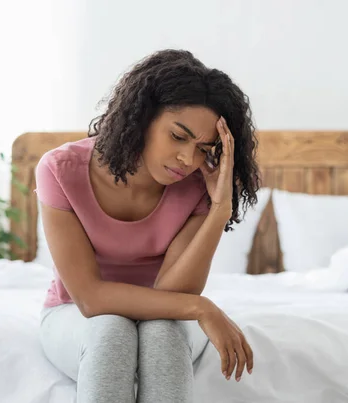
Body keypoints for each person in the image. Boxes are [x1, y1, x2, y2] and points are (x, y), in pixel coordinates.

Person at [35, 49, 260, 403]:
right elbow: (91, 299)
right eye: (178, 136)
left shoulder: (200, 184)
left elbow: (174, 291)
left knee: (162, 333)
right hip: (73, 316)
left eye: (205, 148)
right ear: (142, 118)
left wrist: (219, 209)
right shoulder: (60, 170)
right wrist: (202, 308)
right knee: (111, 330)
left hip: (168, 319)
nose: (188, 159)